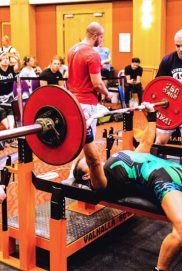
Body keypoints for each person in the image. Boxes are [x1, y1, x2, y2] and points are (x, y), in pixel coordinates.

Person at [73, 102, 182, 271]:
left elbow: (146, 143)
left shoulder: (118, 161)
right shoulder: (101, 183)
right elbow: (93, 162)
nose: (92, 159)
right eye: (83, 162)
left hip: (173, 169)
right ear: (86, 175)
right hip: (161, 179)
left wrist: (152, 115)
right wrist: (86, 134)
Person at [67, 21, 112, 136]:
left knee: (78, 138)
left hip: (72, 101)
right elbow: (97, 84)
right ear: (94, 36)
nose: (102, 40)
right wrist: (107, 94)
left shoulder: (72, 50)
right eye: (101, 37)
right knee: (85, 140)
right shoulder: (92, 54)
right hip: (87, 103)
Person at [155, 29, 182, 145]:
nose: (181, 49)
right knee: (159, 141)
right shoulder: (167, 60)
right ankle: (157, 163)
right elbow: (158, 85)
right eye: (178, 46)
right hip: (171, 108)